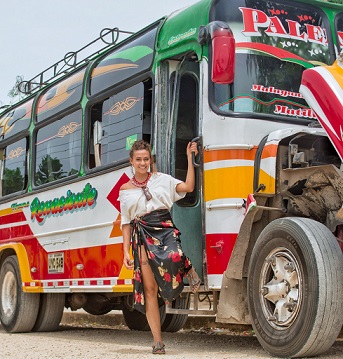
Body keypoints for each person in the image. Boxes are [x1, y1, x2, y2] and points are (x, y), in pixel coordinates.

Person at [119, 139, 201, 355]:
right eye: (138, 159)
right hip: (141, 235)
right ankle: (157, 342)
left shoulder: (162, 180)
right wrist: (125, 251)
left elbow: (189, 187)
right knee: (149, 289)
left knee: (174, 255)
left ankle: (188, 268)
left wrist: (190, 159)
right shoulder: (125, 190)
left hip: (163, 227)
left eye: (146, 159)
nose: (143, 163)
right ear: (131, 161)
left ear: (150, 160)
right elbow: (125, 224)